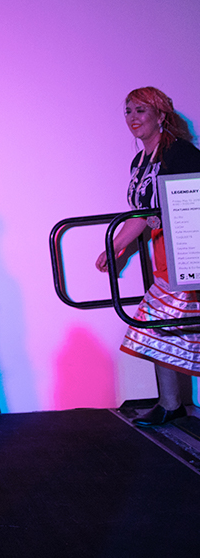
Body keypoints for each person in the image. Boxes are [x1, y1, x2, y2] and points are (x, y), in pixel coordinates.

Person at [95, 86, 200, 426]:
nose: (133, 118)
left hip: (187, 251)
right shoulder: (140, 162)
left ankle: (171, 403)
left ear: (160, 115)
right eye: (128, 111)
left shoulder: (180, 153)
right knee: (160, 326)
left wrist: (116, 246)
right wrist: (116, 248)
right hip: (162, 254)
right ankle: (170, 403)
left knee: (167, 325)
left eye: (141, 111)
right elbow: (142, 214)